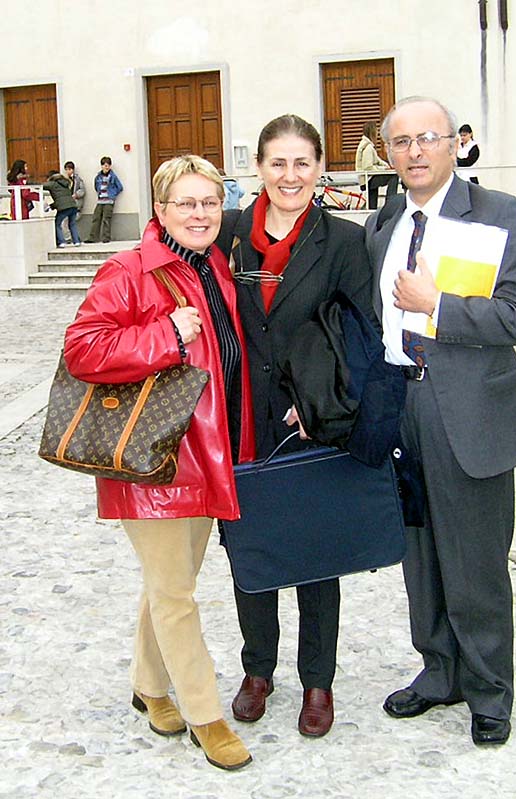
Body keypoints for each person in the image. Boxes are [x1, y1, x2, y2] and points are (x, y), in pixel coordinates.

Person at [63, 155, 256, 771]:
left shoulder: (215, 264)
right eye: (186, 203)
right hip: (156, 460)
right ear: (161, 209)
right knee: (176, 593)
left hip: (208, 454)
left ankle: (148, 685)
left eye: (210, 203)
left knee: (171, 583)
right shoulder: (129, 270)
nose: (200, 214)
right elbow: (82, 349)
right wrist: (166, 335)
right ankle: (206, 716)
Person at [365, 96, 516, 747]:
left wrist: (436, 305)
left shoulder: (497, 212)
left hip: (466, 411)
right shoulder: (384, 220)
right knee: (420, 553)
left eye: (428, 138)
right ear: (388, 153)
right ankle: (440, 671)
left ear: (455, 143)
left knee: (475, 558)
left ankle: (490, 690)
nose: (414, 151)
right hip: (401, 407)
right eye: (401, 141)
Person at [217, 114, 373, 738]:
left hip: (311, 420)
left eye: (302, 163)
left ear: (319, 168)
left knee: (315, 550)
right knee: (250, 545)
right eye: (277, 163)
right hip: (240, 419)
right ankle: (258, 669)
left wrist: (320, 403)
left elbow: (361, 332)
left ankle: (317, 680)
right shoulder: (226, 234)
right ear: (258, 167)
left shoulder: (343, 241)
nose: (290, 175)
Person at [354, 122, 394, 209]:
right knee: (393, 175)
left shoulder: (367, 145)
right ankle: (390, 201)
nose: (377, 134)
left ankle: (374, 208)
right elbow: (368, 167)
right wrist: (384, 169)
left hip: (368, 178)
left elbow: (377, 160)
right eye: (376, 131)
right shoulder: (368, 147)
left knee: (372, 205)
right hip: (368, 179)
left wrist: (387, 166)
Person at [85, 156, 123, 243]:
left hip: (109, 201)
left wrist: (112, 194)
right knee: (96, 218)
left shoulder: (113, 176)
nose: (106, 167)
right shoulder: (98, 176)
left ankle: (106, 238)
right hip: (100, 200)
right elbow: (96, 186)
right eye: (105, 165)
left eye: (108, 165)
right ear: (101, 166)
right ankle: (93, 238)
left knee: (106, 219)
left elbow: (120, 187)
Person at [43, 169, 82, 247]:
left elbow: (41, 186)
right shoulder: (65, 182)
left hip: (64, 208)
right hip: (73, 205)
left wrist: (27, 183)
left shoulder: (52, 184)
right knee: (72, 224)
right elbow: (61, 199)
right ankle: (76, 241)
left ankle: (61, 242)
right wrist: (52, 206)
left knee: (57, 224)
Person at [62, 160, 86, 242]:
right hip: (67, 204)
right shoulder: (64, 180)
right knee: (65, 222)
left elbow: (82, 190)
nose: (68, 171)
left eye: (69, 169)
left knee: (71, 222)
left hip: (75, 205)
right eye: (66, 170)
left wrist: (76, 195)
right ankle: (69, 238)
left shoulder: (78, 180)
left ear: (73, 169)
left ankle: (74, 238)